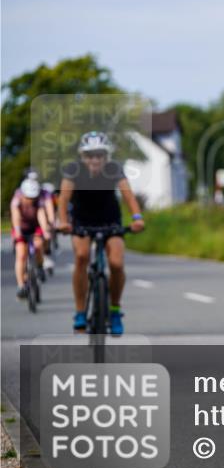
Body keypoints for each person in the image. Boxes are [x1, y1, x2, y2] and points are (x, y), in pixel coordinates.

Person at [57, 131, 145, 335]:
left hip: (110, 221)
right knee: (81, 256)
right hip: (82, 221)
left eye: (99, 155)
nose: (94, 159)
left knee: (116, 262)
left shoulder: (114, 169)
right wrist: (63, 222)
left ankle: (114, 310)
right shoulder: (73, 170)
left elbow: (128, 195)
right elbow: (63, 199)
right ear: (82, 156)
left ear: (106, 156)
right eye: (90, 155)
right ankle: (80, 311)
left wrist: (137, 218)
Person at [10, 178, 48, 299]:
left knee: (38, 245)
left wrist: (45, 230)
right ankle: (21, 285)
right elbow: (16, 217)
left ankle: (40, 265)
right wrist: (17, 231)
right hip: (21, 228)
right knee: (21, 254)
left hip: (35, 227)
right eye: (28, 198)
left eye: (33, 198)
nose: (31, 200)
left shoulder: (38, 202)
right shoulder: (16, 201)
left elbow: (41, 215)